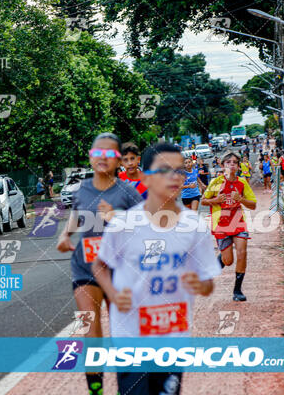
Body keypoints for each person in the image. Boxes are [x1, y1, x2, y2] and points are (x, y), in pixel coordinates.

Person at [93, 143, 220, 394]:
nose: (174, 177)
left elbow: (208, 284)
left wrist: (200, 285)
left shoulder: (194, 226)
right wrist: (114, 295)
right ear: (145, 178)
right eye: (164, 171)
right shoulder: (124, 225)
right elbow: (99, 265)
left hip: (173, 339)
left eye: (179, 171)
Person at [56, 133, 141, 395]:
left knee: (123, 335)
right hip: (84, 267)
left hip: (120, 271)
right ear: (91, 157)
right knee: (90, 332)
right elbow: (78, 214)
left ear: (118, 160)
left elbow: (146, 227)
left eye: (109, 154)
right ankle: (96, 391)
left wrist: (117, 217)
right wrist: (66, 234)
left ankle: (127, 388)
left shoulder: (127, 191)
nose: (103, 158)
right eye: (97, 153)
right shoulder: (81, 188)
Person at [202, 152, 257, 301]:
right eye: (228, 162)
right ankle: (215, 264)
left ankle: (237, 291)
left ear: (238, 166)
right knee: (228, 261)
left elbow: (253, 205)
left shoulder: (242, 182)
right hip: (221, 224)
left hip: (238, 222)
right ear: (222, 165)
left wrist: (241, 199)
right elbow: (203, 201)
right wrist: (216, 200)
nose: (232, 164)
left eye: (234, 162)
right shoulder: (216, 182)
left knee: (242, 252)